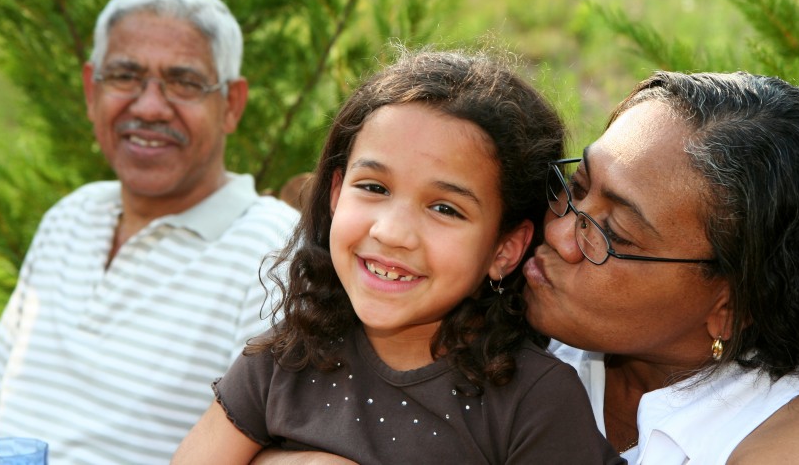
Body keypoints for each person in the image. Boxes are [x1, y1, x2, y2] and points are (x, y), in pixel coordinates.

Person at [172, 49, 624, 465]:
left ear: (505, 249)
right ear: (335, 193)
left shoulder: (534, 402)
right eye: (373, 188)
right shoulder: (285, 359)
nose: (391, 233)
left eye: (445, 209)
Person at [0, 0, 299, 463]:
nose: (150, 107)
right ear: (92, 91)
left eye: (184, 82)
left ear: (232, 104)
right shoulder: (71, 216)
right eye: (125, 76)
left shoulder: (273, 251)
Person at [526, 70, 799, 464]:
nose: (559, 234)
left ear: (732, 308)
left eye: (613, 234)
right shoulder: (499, 315)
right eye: (578, 187)